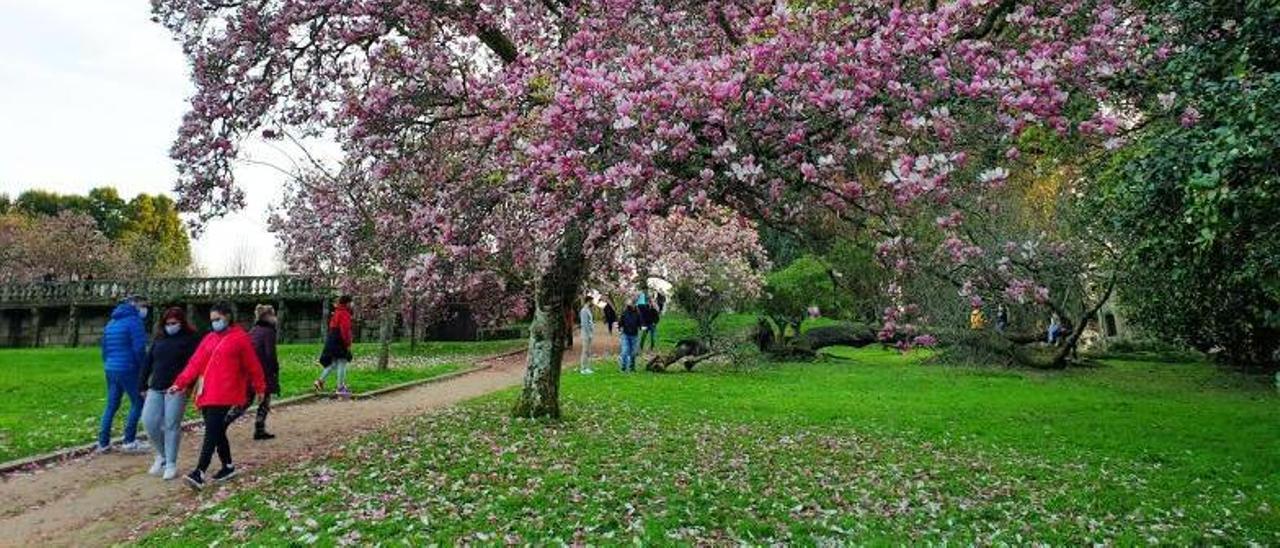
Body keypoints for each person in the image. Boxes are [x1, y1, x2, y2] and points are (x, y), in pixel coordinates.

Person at [169, 302, 266, 490]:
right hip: (207, 391)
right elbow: (195, 363)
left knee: (212, 431)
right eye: (212, 319)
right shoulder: (209, 339)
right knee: (217, 430)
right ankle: (228, 466)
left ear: (228, 317)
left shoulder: (240, 339)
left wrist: (260, 387)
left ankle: (199, 472)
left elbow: (253, 365)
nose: (214, 323)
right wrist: (179, 382)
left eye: (217, 319)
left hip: (225, 392)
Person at [139, 307, 199, 479]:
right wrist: (142, 385)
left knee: (171, 425)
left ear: (182, 323)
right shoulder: (159, 339)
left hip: (177, 388)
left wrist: (189, 386)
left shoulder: (190, 340)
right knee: (149, 422)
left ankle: (171, 462)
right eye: (168, 323)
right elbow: (148, 362)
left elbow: (194, 364)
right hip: (156, 386)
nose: (171, 326)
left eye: (174, 323)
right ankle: (162, 455)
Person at [97, 295, 150, 453]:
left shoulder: (111, 322)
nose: (144, 309)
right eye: (143, 305)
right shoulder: (135, 322)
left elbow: (104, 349)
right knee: (138, 401)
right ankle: (129, 440)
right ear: (134, 305)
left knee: (112, 404)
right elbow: (139, 349)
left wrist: (108, 364)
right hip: (129, 368)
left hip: (111, 368)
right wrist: (144, 368)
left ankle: (103, 442)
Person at [227, 304, 280, 440]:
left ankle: (225, 422)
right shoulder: (269, 331)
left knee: (246, 400)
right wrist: (275, 368)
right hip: (263, 370)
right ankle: (259, 427)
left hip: (250, 369)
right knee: (264, 400)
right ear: (268, 316)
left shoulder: (254, 330)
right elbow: (270, 353)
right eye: (273, 314)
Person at [316, 295, 355, 397]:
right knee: (342, 361)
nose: (352, 304)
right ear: (347, 303)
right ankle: (340, 387)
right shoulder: (344, 313)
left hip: (332, 338)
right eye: (351, 302)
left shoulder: (337, 312)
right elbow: (345, 330)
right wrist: (347, 343)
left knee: (333, 363)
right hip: (339, 340)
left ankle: (320, 381)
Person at [618, 301, 643, 372]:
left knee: (633, 352)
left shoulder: (638, 313)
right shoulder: (625, 312)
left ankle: (632, 367)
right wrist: (620, 328)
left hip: (634, 334)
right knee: (625, 351)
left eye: (634, 304)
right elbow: (621, 321)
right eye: (632, 304)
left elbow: (640, 322)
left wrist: (641, 327)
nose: (633, 305)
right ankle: (623, 367)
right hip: (625, 334)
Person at [578, 299, 595, 374]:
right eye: (592, 301)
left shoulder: (588, 310)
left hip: (589, 333)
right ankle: (583, 368)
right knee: (585, 351)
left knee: (588, 351)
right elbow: (585, 324)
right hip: (586, 334)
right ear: (588, 301)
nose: (593, 303)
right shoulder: (584, 311)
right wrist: (589, 334)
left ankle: (587, 367)